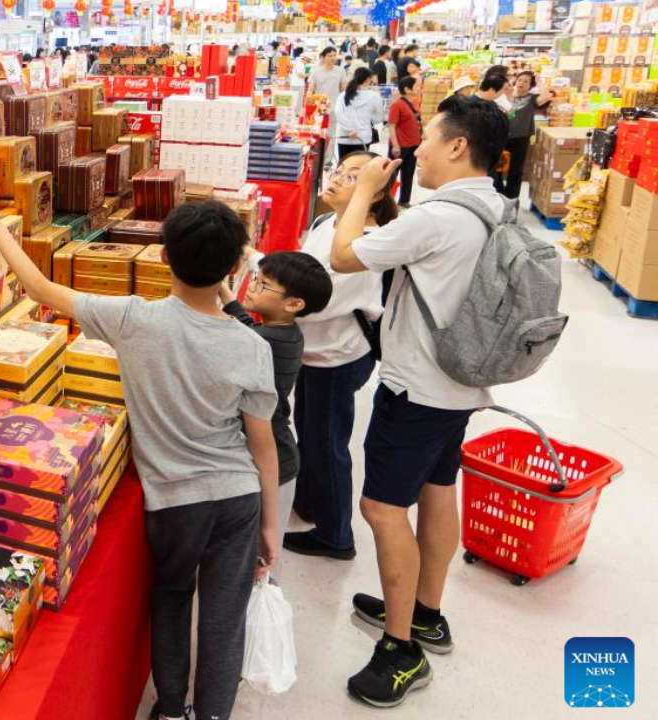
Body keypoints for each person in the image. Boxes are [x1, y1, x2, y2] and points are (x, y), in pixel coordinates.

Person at [0, 193, 281, 720]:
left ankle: (171, 709)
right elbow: (262, 443)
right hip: (237, 496)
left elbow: (39, 288)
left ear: (163, 258)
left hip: (174, 500)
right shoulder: (252, 347)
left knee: (172, 596)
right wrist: (270, 520)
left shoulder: (132, 319)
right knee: (224, 617)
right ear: (236, 268)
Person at [329, 95, 509, 707]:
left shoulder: (438, 216)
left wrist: (359, 195)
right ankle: (426, 611)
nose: (416, 150)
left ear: (458, 146)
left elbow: (343, 254)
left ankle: (401, 650)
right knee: (437, 490)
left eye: (427, 139)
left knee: (382, 510)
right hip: (459, 382)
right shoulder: (493, 205)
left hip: (418, 388)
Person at [285, 151, 398, 560]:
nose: (335, 179)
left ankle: (336, 535)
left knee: (327, 442)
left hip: (337, 356)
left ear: (373, 194)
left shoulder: (365, 244)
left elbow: (323, 300)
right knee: (310, 433)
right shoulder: (323, 223)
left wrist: (274, 300)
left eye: (353, 177)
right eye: (339, 171)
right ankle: (313, 501)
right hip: (314, 350)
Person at [218, 251, 332, 580]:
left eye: (263, 284)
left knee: (261, 563)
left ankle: (256, 627)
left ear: (294, 304)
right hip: (278, 459)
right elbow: (246, 326)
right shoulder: (282, 332)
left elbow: (241, 336)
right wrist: (225, 293)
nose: (252, 286)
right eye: (255, 278)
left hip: (273, 465)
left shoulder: (265, 342)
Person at [495, 70, 552, 199]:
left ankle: (512, 197)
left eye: (526, 81)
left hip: (521, 138)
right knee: (497, 166)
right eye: (520, 80)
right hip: (502, 136)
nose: (522, 83)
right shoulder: (505, 96)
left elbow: (546, 96)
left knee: (516, 170)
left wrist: (539, 81)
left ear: (531, 86)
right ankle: (498, 192)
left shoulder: (532, 99)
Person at [387, 75, 424, 206]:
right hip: (400, 145)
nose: (419, 88)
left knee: (408, 173)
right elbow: (392, 126)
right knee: (391, 175)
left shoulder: (414, 103)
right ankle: (386, 202)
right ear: (407, 89)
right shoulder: (397, 105)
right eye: (416, 86)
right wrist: (395, 145)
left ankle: (404, 200)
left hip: (414, 144)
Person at [335, 67, 384, 161]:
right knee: (360, 167)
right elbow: (379, 118)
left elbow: (338, 113)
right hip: (363, 138)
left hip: (344, 137)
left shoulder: (343, 95)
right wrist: (369, 119)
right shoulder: (374, 96)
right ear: (367, 80)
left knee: (344, 166)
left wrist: (349, 130)